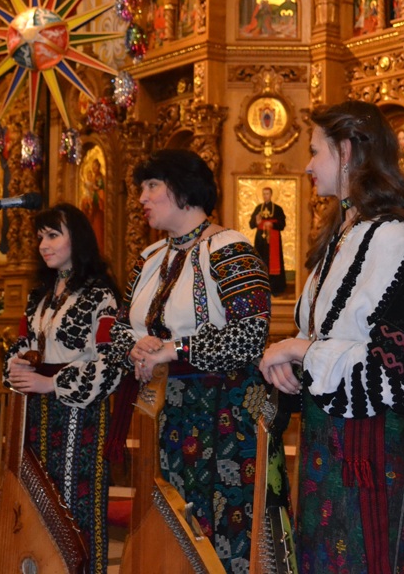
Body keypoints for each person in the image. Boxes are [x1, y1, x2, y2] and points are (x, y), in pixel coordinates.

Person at [259, 101, 404, 573]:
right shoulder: (343, 236)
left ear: (345, 152)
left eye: (314, 151)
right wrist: (291, 361)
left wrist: (300, 350)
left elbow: (403, 375)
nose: (307, 165)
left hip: (368, 450)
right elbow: (329, 336)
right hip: (325, 443)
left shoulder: (398, 240)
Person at [108, 149, 284, 571]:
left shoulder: (232, 249)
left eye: (152, 186)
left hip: (224, 413)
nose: (142, 198)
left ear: (184, 189)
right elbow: (116, 329)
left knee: (224, 525)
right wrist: (134, 345)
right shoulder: (150, 258)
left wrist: (175, 349)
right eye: (141, 188)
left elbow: (250, 336)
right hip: (163, 410)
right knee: (170, 522)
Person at [4, 203, 121, 574]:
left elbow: (109, 364)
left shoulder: (100, 295)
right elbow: (22, 344)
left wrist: (51, 383)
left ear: (78, 239)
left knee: (74, 505)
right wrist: (16, 365)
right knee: (38, 503)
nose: (44, 245)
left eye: (53, 235)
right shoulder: (39, 295)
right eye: (40, 237)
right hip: (37, 413)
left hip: (79, 417)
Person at [249, 186, 288, 296]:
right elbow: (251, 225)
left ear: (271, 195)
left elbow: (282, 224)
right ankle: (260, 288)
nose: (265, 196)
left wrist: (272, 224)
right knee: (261, 260)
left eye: (267, 194)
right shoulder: (258, 208)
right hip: (260, 239)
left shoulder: (278, 209)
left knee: (273, 262)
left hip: (273, 239)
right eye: (264, 194)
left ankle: (275, 289)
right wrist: (257, 222)